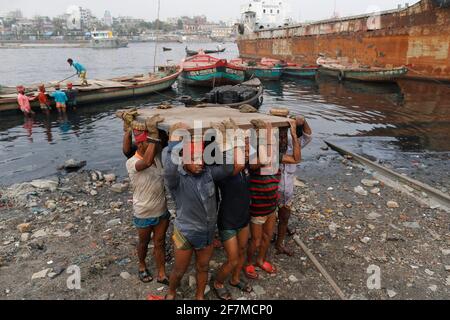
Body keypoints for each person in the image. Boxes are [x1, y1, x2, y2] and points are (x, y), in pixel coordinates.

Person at [162, 122, 237, 300]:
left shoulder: (209, 173)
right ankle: (171, 293)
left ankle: (199, 297)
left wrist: (225, 140)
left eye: (201, 158)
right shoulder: (176, 179)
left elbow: (228, 168)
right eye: (193, 158)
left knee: (203, 267)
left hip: (207, 233)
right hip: (185, 232)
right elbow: (168, 168)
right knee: (179, 270)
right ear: (184, 159)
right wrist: (173, 142)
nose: (199, 163)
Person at [245, 119, 300, 280]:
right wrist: (264, 135)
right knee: (255, 241)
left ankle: (260, 260)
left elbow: (296, 159)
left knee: (268, 236)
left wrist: (294, 135)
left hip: (271, 207)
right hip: (257, 208)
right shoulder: (254, 157)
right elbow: (259, 162)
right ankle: (249, 262)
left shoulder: (276, 156)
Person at [126, 115, 170, 285]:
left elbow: (164, 140)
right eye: (148, 143)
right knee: (143, 242)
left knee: (159, 242)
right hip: (143, 212)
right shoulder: (132, 162)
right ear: (140, 144)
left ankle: (161, 273)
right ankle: (142, 265)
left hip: (161, 209)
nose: (152, 145)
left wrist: (157, 130)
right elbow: (146, 162)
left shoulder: (156, 155)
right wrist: (151, 136)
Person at [213, 136, 253, 300]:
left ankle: (235, 279)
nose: (246, 153)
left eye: (246, 150)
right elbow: (238, 164)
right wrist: (238, 144)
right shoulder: (226, 170)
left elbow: (249, 161)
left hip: (243, 218)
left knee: (242, 250)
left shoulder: (245, 168)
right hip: (228, 220)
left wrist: (247, 145)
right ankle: (218, 283)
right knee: (232, 258)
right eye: (243, 150)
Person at [275, 115, 312, 256]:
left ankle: (279, 244)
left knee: (284, 218)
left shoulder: (292, 145)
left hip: (287, 190)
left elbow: (308, 135)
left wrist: (303, 121)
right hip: (272, 190)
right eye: (281, 136)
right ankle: (272, 238)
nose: (283, 139)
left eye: (285, 136)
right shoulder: (272, 149)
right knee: (269, 218)